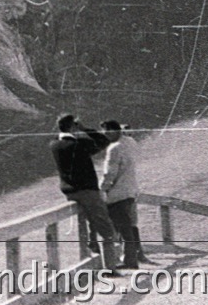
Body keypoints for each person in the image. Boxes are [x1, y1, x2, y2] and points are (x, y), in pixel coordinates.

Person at [50, 113, 121, 272]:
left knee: (91, 223)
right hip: (87, 191)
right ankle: (110, 268)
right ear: (73, 127)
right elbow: (103, 140)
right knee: (106, 229)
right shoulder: (79, 144)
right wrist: (84, 129)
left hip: (69, 191)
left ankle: (93, 248)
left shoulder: (54, 144)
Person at [100, 120, 153, 269]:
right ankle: (133, 257)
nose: (106, 136)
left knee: (122, 228)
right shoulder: (130, 142)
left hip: (118, 193)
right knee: (128, 226)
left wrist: (101, 189)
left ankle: (129, 261)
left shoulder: (114, 148)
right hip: (131, 190)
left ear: (114, 131)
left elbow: (109, 174)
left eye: (107, 132)